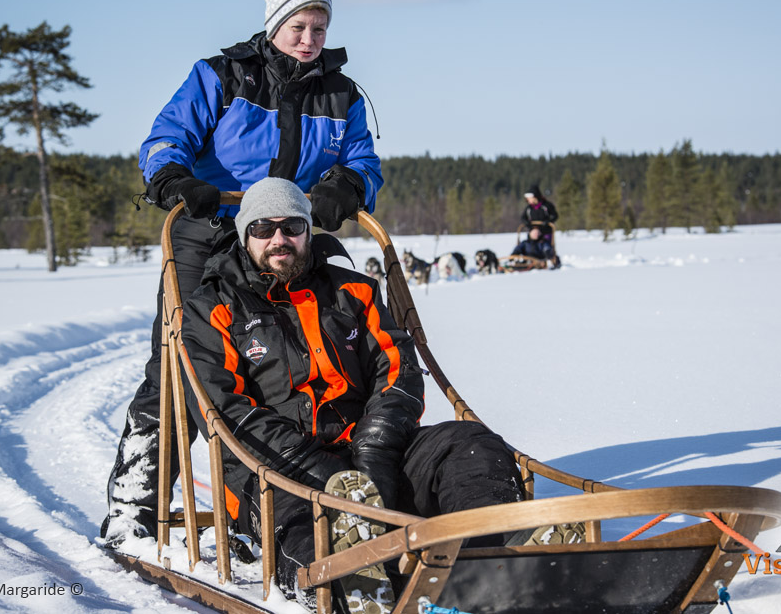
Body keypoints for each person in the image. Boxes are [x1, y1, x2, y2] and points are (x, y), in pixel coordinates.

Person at [180, 178, 568, 614]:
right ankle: (352, 586)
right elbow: (225, 410)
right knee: (304, 526)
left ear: (308, 230)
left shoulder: (354, 290)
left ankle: (499, 554)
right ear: (244, 234)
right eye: (263, 229)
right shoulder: (212, 307)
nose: (279, 239)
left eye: (292, 226)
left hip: (371, 455)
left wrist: (376, 446)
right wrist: (322, 470)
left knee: (468, 444)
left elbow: (397, 368)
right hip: (276, 471)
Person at [101, 0, 382, 547]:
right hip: (210, 232)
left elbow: (364, 160)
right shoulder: (222, 76)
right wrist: (176, 179)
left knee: (299, 365)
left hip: (287, 242)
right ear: (275, 22)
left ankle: (295, 489)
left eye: (320, 27)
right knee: (180, 367)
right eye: (298, 26)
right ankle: (134, 508)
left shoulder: (342, 94)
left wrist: (346, 185)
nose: (309, 39)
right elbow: (165, 138)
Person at [520, 185, 560, 268]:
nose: (527, 200)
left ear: (534, 196)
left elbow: (554, 215)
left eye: (529, 198)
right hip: (533, 233)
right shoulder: (529, 208)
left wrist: (548, 221)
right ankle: (525, 259)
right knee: (527, 245)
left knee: (545, 246)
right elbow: (523, 218)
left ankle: (548, 259)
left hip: (545, 232)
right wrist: (527, 224)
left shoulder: (546, 205)